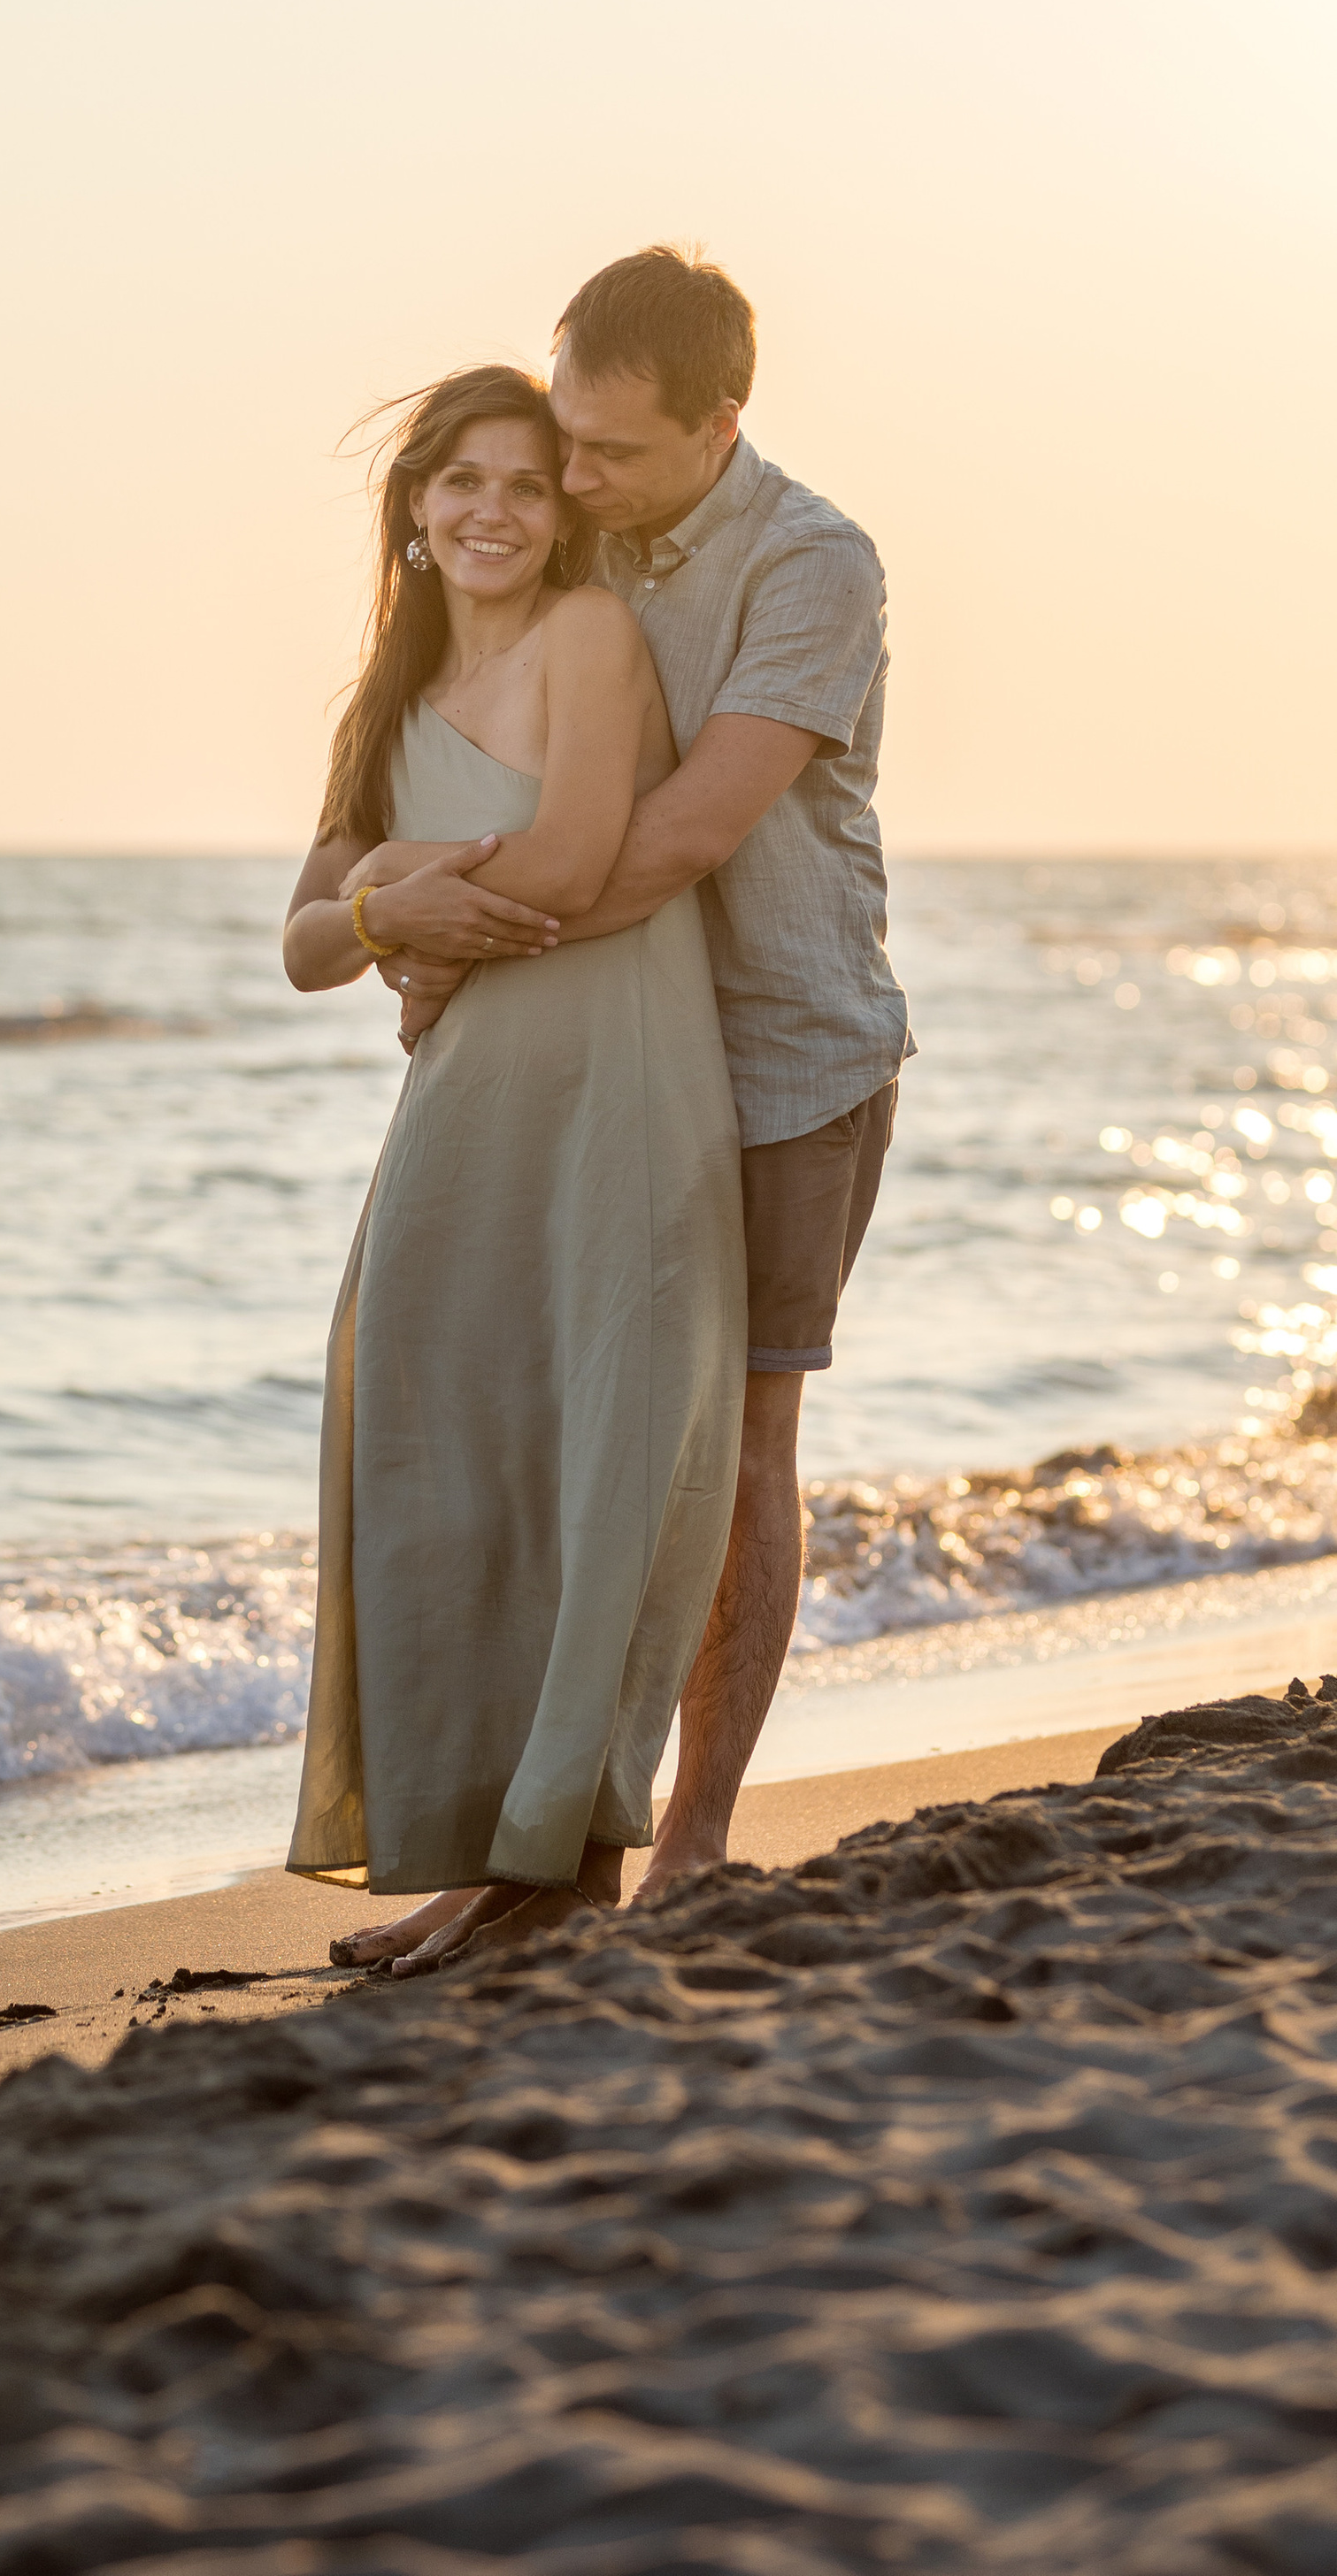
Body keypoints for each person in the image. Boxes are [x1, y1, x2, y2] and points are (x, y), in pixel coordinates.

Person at [382, 249, 911, 1904]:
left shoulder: (813, 563)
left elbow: (683, 835)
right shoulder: (579, 530)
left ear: (721, 422)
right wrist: (387, 900)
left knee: (738, 1446)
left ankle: (693, 1839)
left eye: (610, 452)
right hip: (601, 1063)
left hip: (781, 1061)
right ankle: (546, 1839)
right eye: (565, 440)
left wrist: (462, 945)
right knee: (566, 1440)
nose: (574, 481)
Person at [281, 363, 746, 1977]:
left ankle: (565, 1862)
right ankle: (479, 1847)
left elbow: (559, 869)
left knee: (605, 1448)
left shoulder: (588, 640)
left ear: (563, 518)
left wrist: (394, 899)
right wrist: (386, 907)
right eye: (463, 483)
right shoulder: (385, 701)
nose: (492, 511)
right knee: (439, 1441)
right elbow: (300, 943)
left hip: (612, 1079)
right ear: (414, 507)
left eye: (527, 487)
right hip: (463, 1100)